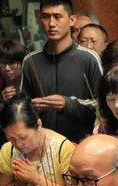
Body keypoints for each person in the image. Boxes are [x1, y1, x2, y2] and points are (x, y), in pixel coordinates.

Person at [20, 0, 103, 143]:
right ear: (40, 19)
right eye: (46, 17)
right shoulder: (30, 61)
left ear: (72, 20)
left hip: (83, 147)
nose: (51, 23)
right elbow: (21, 109)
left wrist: (67, 104)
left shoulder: (88, 58)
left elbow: (103, 107)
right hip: (43, 149)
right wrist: (31, 108)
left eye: (57, 16)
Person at [0, 94, 76, 186]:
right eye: (11, 139)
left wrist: (37, 181)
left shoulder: (63, 149)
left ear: (38, 125)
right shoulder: (9, 150)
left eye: (23, 137)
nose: (18, 144)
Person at [0, 39, 26, 104]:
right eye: (2, 63)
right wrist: (1, 103)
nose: (7, 68)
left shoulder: (33, 82)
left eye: (11, 63)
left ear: (22, 62)